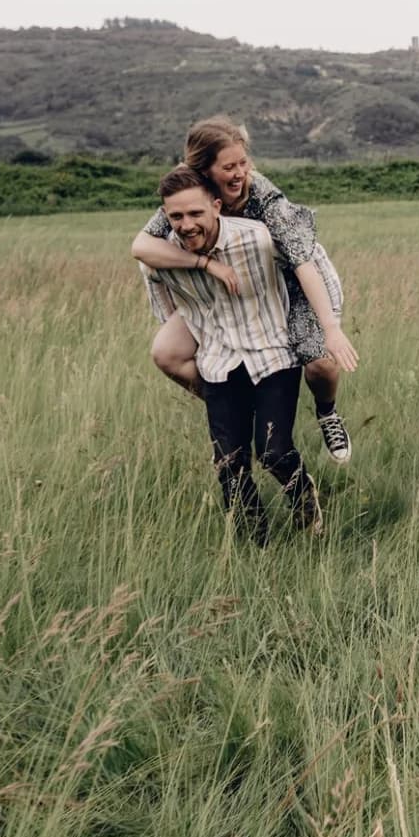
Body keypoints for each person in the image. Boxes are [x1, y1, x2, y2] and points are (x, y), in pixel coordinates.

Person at [131, 116, 360, 464]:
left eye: (244, 163)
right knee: (167, 352)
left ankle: (327, 413)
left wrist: (331, 329)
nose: (240, 173)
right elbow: (142, 246)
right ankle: (240, 410)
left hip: (293, 278)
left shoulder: (265, 197)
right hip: (235, 283)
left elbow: (302, 262)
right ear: (204, 170)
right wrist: (206, 264)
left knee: (320, 364)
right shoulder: (189, 193)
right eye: (229, 167)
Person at [141, 165, 321, 544]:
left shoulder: (259, 239)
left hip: (273, 358)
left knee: (273, 452)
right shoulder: (160, 257)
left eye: (195, 214)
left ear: (217, 207)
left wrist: (328, 329)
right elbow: (168, 309)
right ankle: (257, 549)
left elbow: (310, 264)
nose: (186, 224)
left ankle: (306, 502)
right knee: (229, 466)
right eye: (175, 216)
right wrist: (202, 268)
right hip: (218, 364)